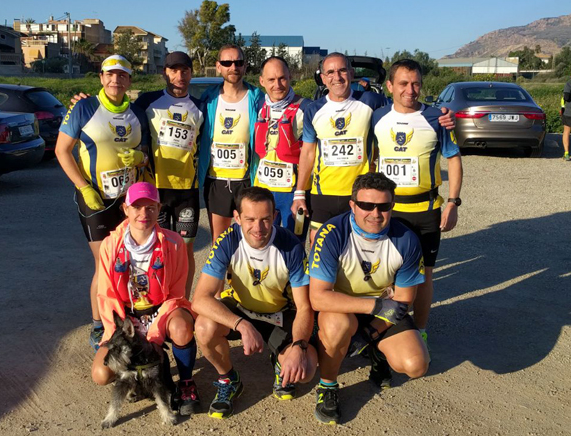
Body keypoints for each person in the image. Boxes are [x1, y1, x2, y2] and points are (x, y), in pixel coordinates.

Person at [292, 53, 454, 247]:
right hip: (323, 193)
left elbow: (404, 108)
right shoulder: (314, 109)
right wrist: (300, 193)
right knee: (320, 246)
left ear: (352, 73)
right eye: (331, 72)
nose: (337, 77)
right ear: (324, 77)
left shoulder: (372, 101)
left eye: (342, 70)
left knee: (360, 249)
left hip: (361, 193)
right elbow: (308, 153)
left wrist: (441, 114)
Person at [308, 172, 428, 425]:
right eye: (366, 205)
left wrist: (369, 334)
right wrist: (376, 305)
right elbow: (318, 298)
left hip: (383, 312)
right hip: (343, 308)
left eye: (384, 206)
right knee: (337, 326)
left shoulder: (406, 238)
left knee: (415, 365)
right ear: (353, 205)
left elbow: (403, 301)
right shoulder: (331, 233)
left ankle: (377, 352)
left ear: (392, 206)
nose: (375, 213)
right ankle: (327, 386)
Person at [192, 187, 317, 419]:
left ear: (275, 217)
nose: (258, 228)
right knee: (203, 326)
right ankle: (228, 378)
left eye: (265, 219)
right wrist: (241, 324)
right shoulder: (227, 242)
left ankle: (281, 359)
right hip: (241, 309)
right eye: (249, 219)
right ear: (237, 217)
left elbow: (304, 307)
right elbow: (200, 299)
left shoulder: (290, 245)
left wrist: (299, 346)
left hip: (279, 313)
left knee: (307, 369)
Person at [55, 55, 150, 351]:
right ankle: (99, 326)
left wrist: (140, 157)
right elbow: (61, 150)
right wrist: (83, 187)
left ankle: (125, 318)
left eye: (122, 75)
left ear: (129, 81)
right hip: (95, 199)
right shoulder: (83, 107)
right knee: (105, 264)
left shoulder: (136, 112)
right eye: (110, 75)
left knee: (129, 261)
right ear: (101, 77)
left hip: (127, 201)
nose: (115, 80)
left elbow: (146, 151)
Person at [370, 59, 462, 348]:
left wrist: (453, 202)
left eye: (416, 84)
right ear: (389, 86)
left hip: (425, 211)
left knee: (424, 277)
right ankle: (382, 330)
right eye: (403, 83)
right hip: (387, 211)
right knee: (384, 275)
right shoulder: (377, 117)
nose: (410, 90)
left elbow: (455, 160)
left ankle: (420, 329)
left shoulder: (437, 117)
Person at [91, 182, 200, 415]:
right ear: (125, 209)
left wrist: (155, 336)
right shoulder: (110, 245)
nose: (144, 214)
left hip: (161, 309)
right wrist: (117, 333)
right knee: (101, 374)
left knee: (182, 327)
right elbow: (106, 295)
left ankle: (186, 383)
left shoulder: (173, 242)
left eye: (150, 207)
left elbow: (176, 294)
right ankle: (141, 375)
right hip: (127, 316)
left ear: (159, 208)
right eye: (137, 207)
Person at [134, 51, 205, 295]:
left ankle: (182, 302)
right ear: (165, 72)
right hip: (157, 192)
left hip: (188, 192)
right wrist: (85, 102)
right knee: (158, 250)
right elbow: (116, 110)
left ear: (191, 73)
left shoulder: (199, 107)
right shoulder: (147, 102)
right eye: (174, 70)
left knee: (185, 251)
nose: (179, 75)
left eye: (184, 70)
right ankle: (159, 299)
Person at [197, 44, 265, 242]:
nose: (233, 67)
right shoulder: (208, 98)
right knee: (219, 242)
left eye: (238, 62)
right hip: (216, 180)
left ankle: (243, 274)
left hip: (246, 180)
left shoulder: (257, 98)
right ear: (218, 66)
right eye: (227, 62)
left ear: (245, 67)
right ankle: (222, 274)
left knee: (250, 241)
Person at [253, 56, 312, 243]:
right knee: (263, 243)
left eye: (282, 78)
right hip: (264, 189)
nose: (277, 85)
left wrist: (300, 193)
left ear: (290, 77)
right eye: (271, 80)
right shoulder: (258, 107)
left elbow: (311, 154)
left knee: (293, 245)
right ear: (262, 81)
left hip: (292, 192)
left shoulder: (307, 108)